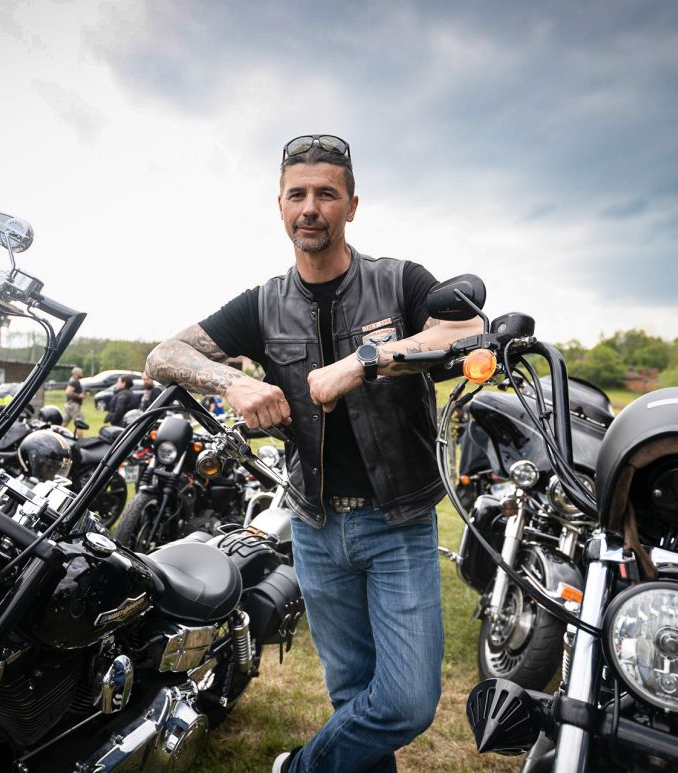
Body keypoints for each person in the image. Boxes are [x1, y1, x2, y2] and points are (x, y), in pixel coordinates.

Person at [145, 134, 483, 773]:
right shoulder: (263, 303)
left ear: (351, 205)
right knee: (352, 694)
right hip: (315, 525)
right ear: (279, 206)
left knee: (407, 703)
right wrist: (233, 381)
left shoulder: (399, 281)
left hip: (398, 523)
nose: (310, 208)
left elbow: (468, 330)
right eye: (296, 194)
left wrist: (364, 362)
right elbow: (164, 355)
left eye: (326, 194)